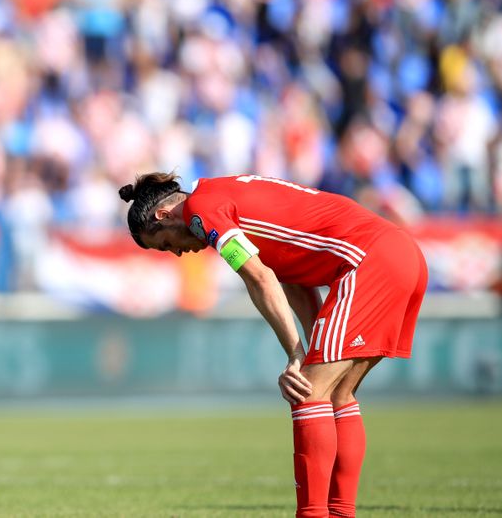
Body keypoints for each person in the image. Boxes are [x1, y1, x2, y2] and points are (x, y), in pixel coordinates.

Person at [119, 172, 428, 518]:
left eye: (164, 244)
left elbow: (259, 277)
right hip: (401, 254)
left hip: (371, 261)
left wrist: (296, 357)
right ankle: (341, 513)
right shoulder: (223, 192)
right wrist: (309, 350)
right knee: (337, 393)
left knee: (307, 390)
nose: (176, 253)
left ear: (163, 215)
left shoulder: (200, 210)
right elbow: (292, 279)